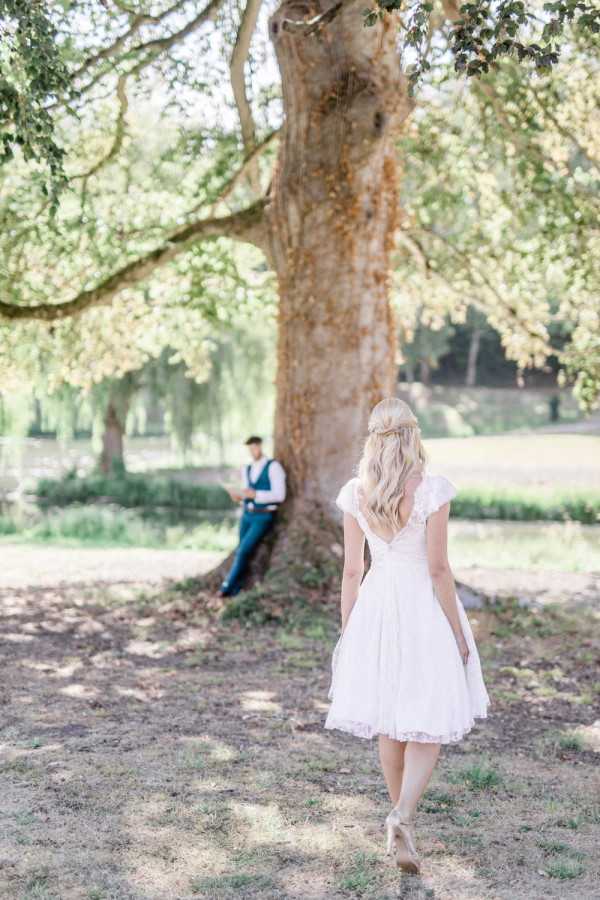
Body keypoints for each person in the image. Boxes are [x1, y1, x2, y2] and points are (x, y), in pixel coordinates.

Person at [324, 397, 490, 874]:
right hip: (422, 607)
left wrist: (348, 631)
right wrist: (458, 633)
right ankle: (402, 816)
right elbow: (438, 570)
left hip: (376, 607)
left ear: (373, 437)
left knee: (388, 720)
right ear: (414, 434)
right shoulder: (432, 489)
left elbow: (352, 571)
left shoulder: (357, 491)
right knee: (429, 714)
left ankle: (402, 827)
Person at [219, 436, 286, 597]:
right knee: (242, 550)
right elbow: (246, 492)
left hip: (263, 516)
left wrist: (256, 494)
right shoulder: (247, 468)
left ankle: (226, 587)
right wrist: (240, 496)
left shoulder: (273, 467)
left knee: (243, 550)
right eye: (250, 447)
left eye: (255, 446)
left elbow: (280, 495)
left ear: (261, 446)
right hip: (247, 514)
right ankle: (237, 585)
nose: (252, 450)